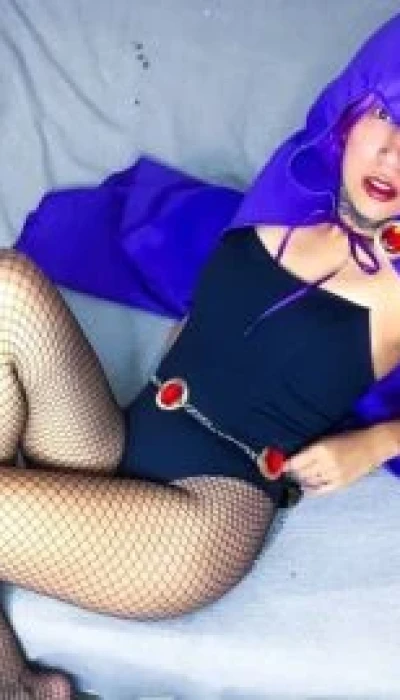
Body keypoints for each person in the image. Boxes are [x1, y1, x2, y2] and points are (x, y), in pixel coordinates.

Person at [3, 12, 400, 700]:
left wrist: (377, 442)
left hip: (200, 517)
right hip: (120, 436)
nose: (392, 154)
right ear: (351, 107)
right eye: (385, 115)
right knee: (8, 286)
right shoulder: (295, 180)